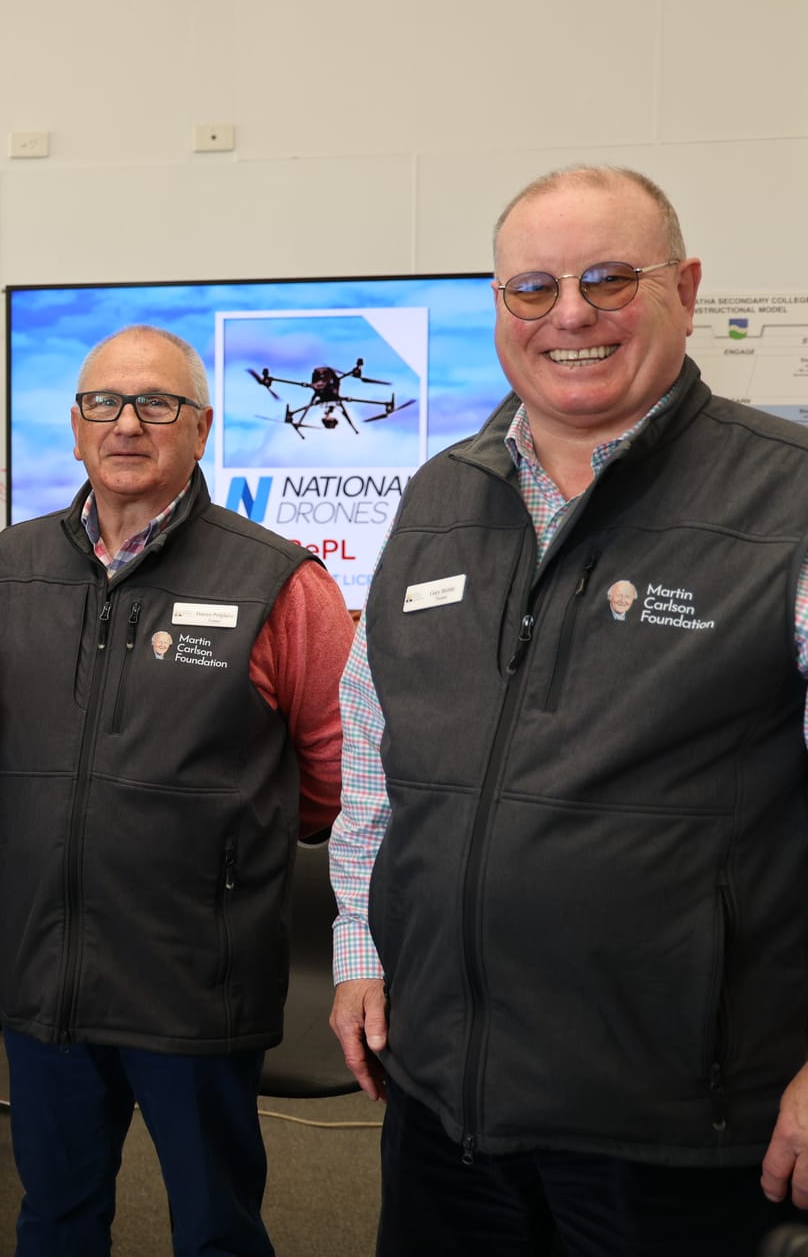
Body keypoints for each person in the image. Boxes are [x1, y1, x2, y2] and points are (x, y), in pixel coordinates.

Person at [328, 165, 808, 1255]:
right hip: (444, 1106)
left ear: (683, 287)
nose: (570, 314)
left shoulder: (786, 497)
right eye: (531, 288)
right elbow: (372, 750)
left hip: (676, 1129)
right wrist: (357, 944)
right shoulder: (436, 494)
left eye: (606, 277)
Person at [0, 325, 351, 1256]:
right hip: (44, 971)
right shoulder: (6, 568)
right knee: (55, 1218)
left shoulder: (280, 581)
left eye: (158, 404)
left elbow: (339, 774)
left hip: (194, 975)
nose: (128, 423)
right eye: (104, 402)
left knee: (216, 1225)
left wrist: (223, 844)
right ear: (73, 427)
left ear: (203, 428)